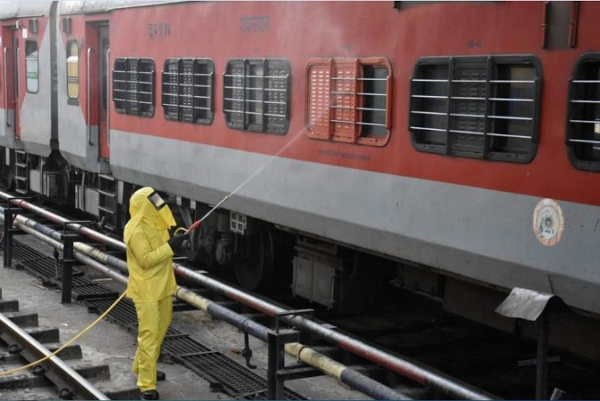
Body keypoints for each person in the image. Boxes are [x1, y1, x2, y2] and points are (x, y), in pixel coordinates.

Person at [123, 187, 187, 400]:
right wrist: (171, 246)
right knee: (149, 335)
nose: (160, 204)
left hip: (163, 285)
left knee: (160, 328)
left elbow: (163, 248)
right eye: (154, 201)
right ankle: (146, 384)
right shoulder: (135, 230)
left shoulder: (156, 223)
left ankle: (142, 368)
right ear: (144, 206)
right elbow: (146, 260)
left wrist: (177, 239)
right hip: (146, 290)